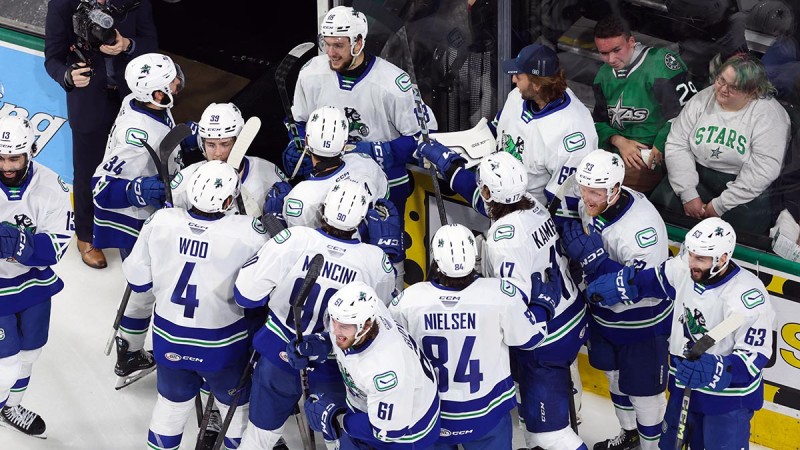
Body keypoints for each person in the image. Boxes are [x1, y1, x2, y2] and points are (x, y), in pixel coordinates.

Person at [233, 181, 397, 450]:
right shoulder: (374, 260)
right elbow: (383, 323)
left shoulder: (295, 239)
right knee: (337, 436)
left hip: (279, 354)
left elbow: (245, 296)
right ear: (363, 219)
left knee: (258, 439)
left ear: (323, 209)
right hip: (335, 364)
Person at [586, 218, 775, 450]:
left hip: (726, 402)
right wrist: (620, 286)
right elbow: (653, 281)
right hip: (683, 381)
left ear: (723, 258)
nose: (692, 262)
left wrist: (717, 369)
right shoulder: (686, 267)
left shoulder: (746, 297)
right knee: (669, 445)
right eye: (691, 254)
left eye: (701, 258)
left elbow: (754, 357)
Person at [283, 5, 437, 279]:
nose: (330, 52)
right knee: (328, 252)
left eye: (338, 45)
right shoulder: (311, 73)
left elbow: (422, 137)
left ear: (359, 42)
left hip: (384, 185)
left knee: (384, 253)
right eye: (326, 44)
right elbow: (300, 121)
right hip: (327, 176)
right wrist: (299, 144)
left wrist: (380, 151)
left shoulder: (393, 83)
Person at [121, 161, 267, 449]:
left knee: (170, 408)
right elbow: (256, 295)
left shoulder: (161, 221)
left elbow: (138, 281)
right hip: (222, 346)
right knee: (235, 412)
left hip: (167, 338)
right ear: (229, 200)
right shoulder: (249, 232)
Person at [389, 223, 554, 449]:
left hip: (430, 415)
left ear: (436, 260)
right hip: (485, 414)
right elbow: (530, 338)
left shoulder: (408, 301)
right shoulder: (499, 294)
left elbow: (393, 355)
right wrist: (543, 307)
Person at [559, 150, 670, 450]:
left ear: (615, 189)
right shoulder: (591, 196)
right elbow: (569, 202)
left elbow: (646, 287)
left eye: (594, 191)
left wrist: (593, 259)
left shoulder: (641, 231)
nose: (587, 197)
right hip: (604, 317)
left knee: (645, 394)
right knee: (615, 376)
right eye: (584, 189)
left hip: (641, 324)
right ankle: (630, 433)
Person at [91, 52, 184, 386]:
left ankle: (128, 348)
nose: (178, 81)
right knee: (145, 289)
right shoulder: (136, 132)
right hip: (132, 219)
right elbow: (101, 189)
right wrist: (140, 190)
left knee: (143, 286)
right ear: (156, 94)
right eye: (171, 80)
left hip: (147, 214)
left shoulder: (144, 102)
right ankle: (129, 354)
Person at [44, 0, 158, 269]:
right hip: (88, 100)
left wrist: (127, 45)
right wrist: (68, 76)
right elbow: (52, 58)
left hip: (131, 100)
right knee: (86, 171)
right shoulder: (62, 5)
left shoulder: (136, 2)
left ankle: (132, 234)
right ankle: (86, 237)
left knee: (135, 168)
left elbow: (150, 41)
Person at [288, 281, 441, 450]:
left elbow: (389, 432)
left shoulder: (384, 369)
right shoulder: (366, 313)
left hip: (407, 432)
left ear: (366, 326)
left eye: (343, 326)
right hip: (376, 405)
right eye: (334, 321)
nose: (335, 331)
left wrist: (336, 418)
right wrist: (322, 345)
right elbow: (342, 334)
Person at [652, 54, 791, 236]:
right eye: (720, 80)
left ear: (752, 92)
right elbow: (678, 143)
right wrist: (688, 193)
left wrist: (720, 205)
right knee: (658, 214)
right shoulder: (702, 99)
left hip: (743, 190)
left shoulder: (770, 116)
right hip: (695, 173)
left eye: (733, 87)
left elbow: (763, 169)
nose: (722, 89)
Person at [268, 106, 403, 287]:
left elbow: (295, 254)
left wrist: (275, 220)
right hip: (370, 268)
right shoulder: (365, 162)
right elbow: (383, 207)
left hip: (326, 277)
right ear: (344, 142)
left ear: (307, 140)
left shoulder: (299, 197)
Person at [0, 116, 74, 438]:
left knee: (30, 353)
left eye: (14, 157)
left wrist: (20, 243)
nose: (6, 166)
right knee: (5, 366)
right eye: (0, 157)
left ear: (30, 151)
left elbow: (58, 245)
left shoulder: (52, 185)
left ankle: (10, 408)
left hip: (32, 282)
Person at [494, 43, 597, 221]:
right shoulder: (516, 97)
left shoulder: (572, 132)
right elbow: (495, 128)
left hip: (528, 220)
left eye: (518, 76)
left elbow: (563, 210)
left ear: (536, 84)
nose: (513, 80)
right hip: (497, 199)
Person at [592, 15, 694, 194]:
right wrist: (619, 141)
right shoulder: (603, 75)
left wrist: (660, 146)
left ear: (631, 41)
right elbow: (599, 123)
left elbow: (687, 113)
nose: (611, 59)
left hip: (654, 151)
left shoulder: (659, 63)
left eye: (617, 50)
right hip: (618, 151)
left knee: (607, 192)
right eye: (604, 53)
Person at [171, 102, 286, 217]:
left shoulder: (268, 172)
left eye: (225, 144)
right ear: (202, 144)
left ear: (240, 140)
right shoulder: (186, 180)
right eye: (211, 144)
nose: (218, 153)